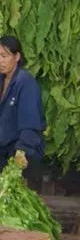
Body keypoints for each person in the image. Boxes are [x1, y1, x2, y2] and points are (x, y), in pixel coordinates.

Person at [0, 36, 46, 175]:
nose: (0, 61)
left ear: (17, 56)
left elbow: (30, 123)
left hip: (21, 148)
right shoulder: (1, 79)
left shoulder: (25, 83)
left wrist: (22, 151)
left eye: (4, 56)